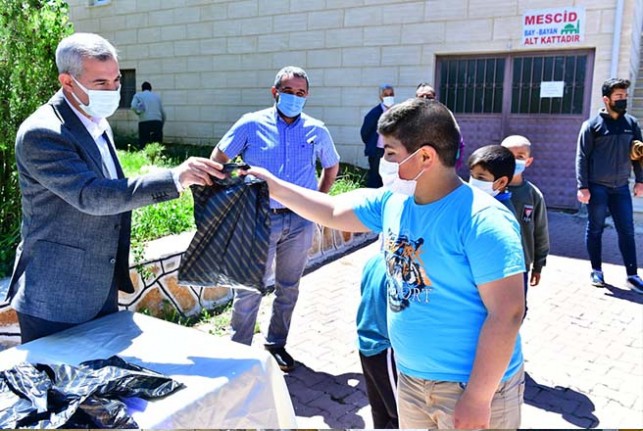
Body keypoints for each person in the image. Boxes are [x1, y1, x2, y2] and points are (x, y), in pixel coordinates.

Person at [244, 98, 526, 429]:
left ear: (424, 157)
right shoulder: (394, 202)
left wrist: (478, 397)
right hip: (411, 380)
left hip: (470, 389)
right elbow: (332, 210)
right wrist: (271, 185)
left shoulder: (483, 220)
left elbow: (507, 313)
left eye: (391, 152)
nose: (383, 161)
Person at [6, 32, 224, 344]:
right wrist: (174, 178)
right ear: (67, 82)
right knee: (61, 389)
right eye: (101, 84)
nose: (114, 91)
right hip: (56, 299)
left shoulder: (94, 120)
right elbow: (93, 195)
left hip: (99, 287)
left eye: (117, 80)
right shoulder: (43, 133)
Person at [210, 66, 340, 371]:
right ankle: (238, 351)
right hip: (258, 218)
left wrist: (316, 203)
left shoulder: (316, 129)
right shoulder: (250, 124)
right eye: (288, 91)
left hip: (299, 222)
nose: (294, 98)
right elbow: (219, 159)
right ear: (275, 93)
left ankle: (275, 343)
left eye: (300, 93)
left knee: (289, 286)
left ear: (306, 96)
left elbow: (331, 167)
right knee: (249, 287)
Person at [576, 78, 643, 293]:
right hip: (597, 187)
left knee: (627, 231)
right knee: (595, 229)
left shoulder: (631, 124)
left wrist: (640, 180)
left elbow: (639, 155)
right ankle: (596, 270)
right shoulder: (592, 125)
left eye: (625, 96)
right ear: (606, 99)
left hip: (621, 187)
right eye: (618, 97)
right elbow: (582, 157)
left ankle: (632, 276)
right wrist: (582, 186)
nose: (623, 100)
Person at [501, 135, 550, 291]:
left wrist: (538, 265)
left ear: (528, 161)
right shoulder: (489, 189)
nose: (514, 160)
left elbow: (540, 232)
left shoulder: (533, 195)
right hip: (490, 261)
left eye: (520, 156)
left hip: (520, 265)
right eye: (509, 156)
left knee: (518, 309)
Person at [357, 253, 398, 429]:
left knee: (380, 411)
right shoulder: (401, 271)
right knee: (402, 415)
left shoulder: (374, 261)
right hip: (386, 349)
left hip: (366, 344)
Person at [361, 84, 395, 188]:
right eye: (386, 95)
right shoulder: (374, 113)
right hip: (377, 151)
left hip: (392, 150)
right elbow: (365, 132)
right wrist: (372, 144)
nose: (389, 97)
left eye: (391, 94)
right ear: (381, 97)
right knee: (375, 177)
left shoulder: (396, 111)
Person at [467, 144, 516, 214]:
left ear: (502, 182)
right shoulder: (482, 202)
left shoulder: (500, 213)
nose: (472, 182)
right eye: (472, 175)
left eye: (481, 178)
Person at [130, 81, 166, 148]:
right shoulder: (157, 97)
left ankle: (145, 157)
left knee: (144, 144)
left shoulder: (138, 95)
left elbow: (133, 106)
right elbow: (163, 113)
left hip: (144, 122)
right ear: (150, 89)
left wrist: (138, 112)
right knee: (157, 144)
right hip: (157, 122)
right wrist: (161, 124)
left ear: (142, 89)